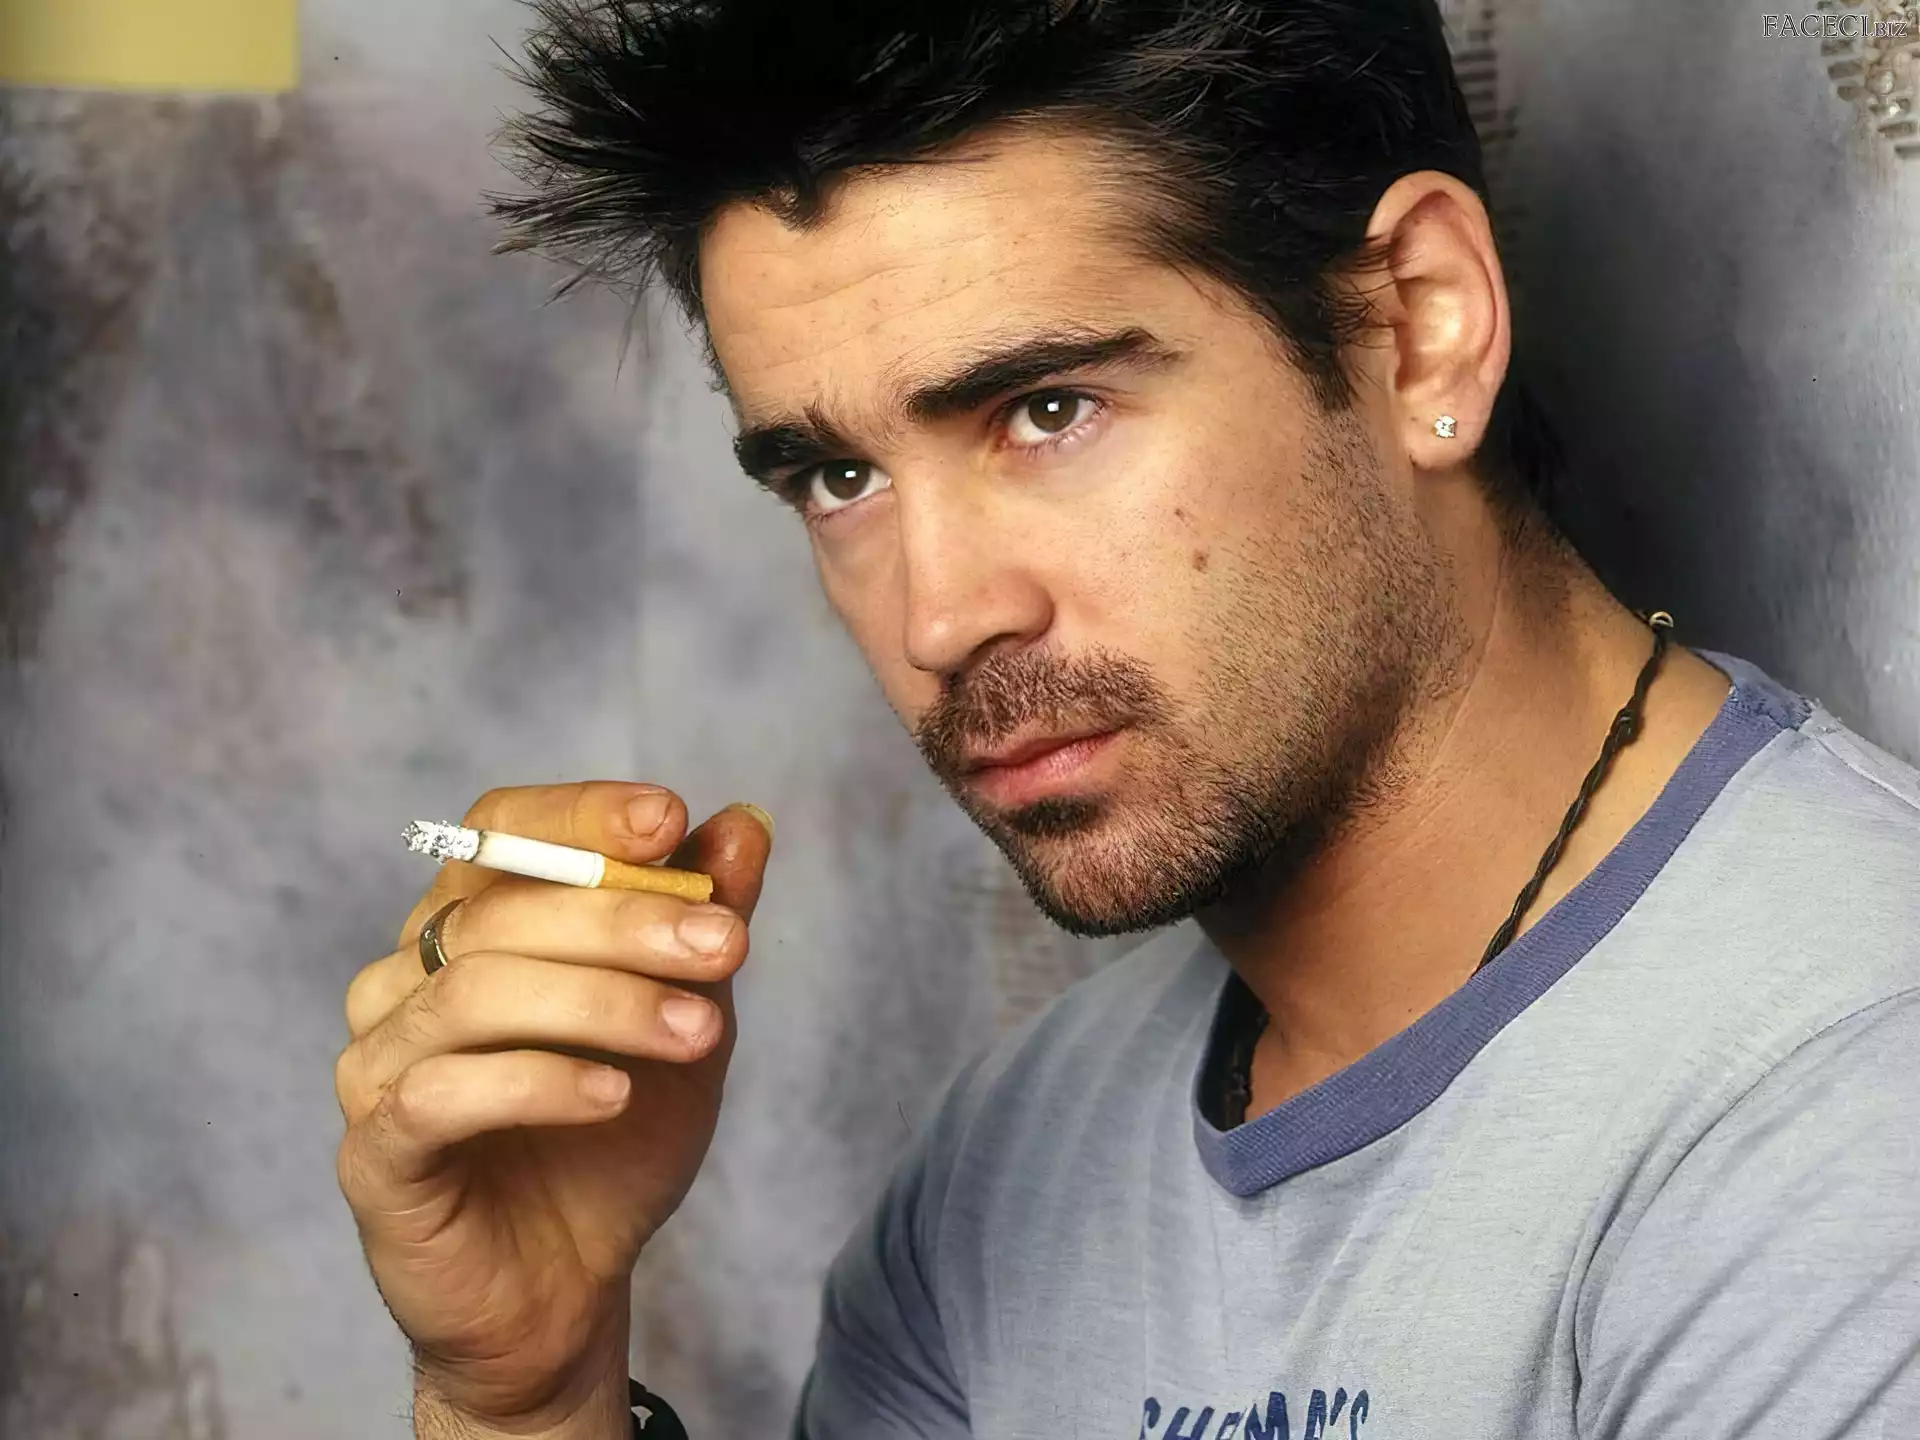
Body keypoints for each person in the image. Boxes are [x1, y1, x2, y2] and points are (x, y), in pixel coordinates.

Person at [332, 2, 1920, 1436]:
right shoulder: (1004, 1168)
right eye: (839, 475)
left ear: (1419, 325)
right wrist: (527, 1400)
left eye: (1047, 409)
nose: (939, 618)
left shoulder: (1846, 1100)